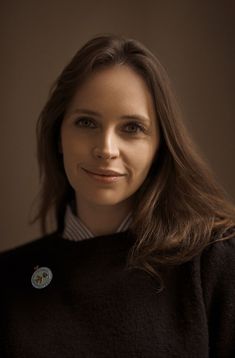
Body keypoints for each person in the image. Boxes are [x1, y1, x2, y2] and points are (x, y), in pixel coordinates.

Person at [0, 34, 235, 358]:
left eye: (132, 128)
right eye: (86, 122)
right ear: (58, 134)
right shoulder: (7, 279)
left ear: (159, 147)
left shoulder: (213, 262)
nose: (106, 149)